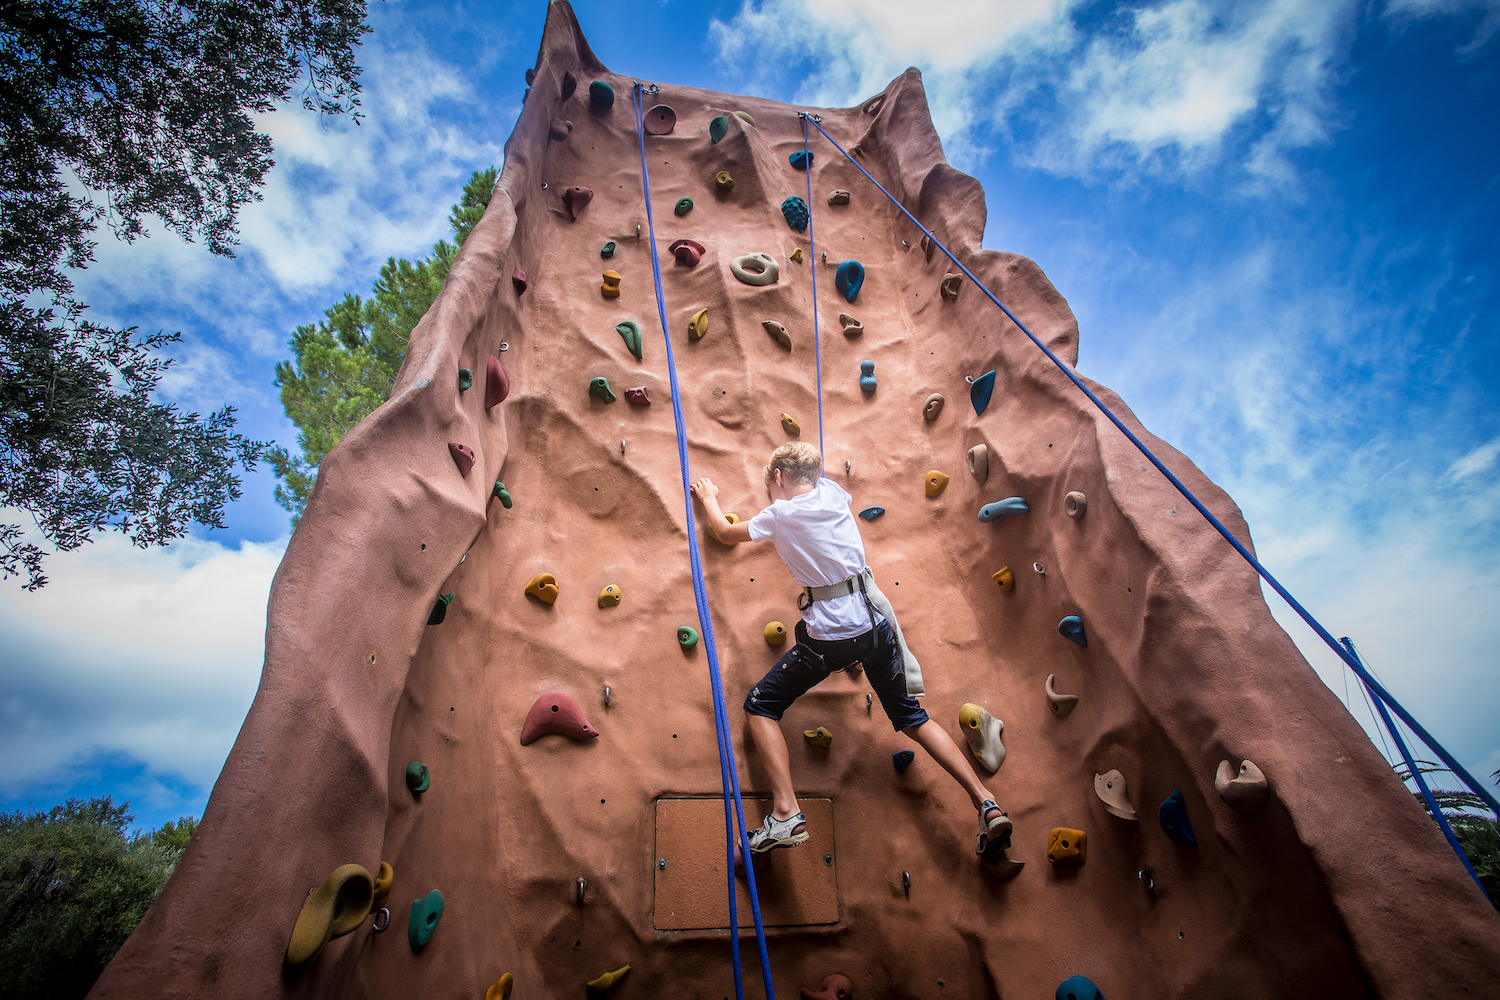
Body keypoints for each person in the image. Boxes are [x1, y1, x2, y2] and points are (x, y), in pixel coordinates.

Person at [691, 442, 1012, 855]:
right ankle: (985, 800)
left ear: (778, 480)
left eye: (771, 486)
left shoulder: (781, 513)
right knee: (912, 716)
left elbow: (723, 532)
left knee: (760, 706)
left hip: (832, 639)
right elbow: (814, 478)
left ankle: (785, 812)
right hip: (876, 626)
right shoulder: (834, 494)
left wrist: (710, 499)